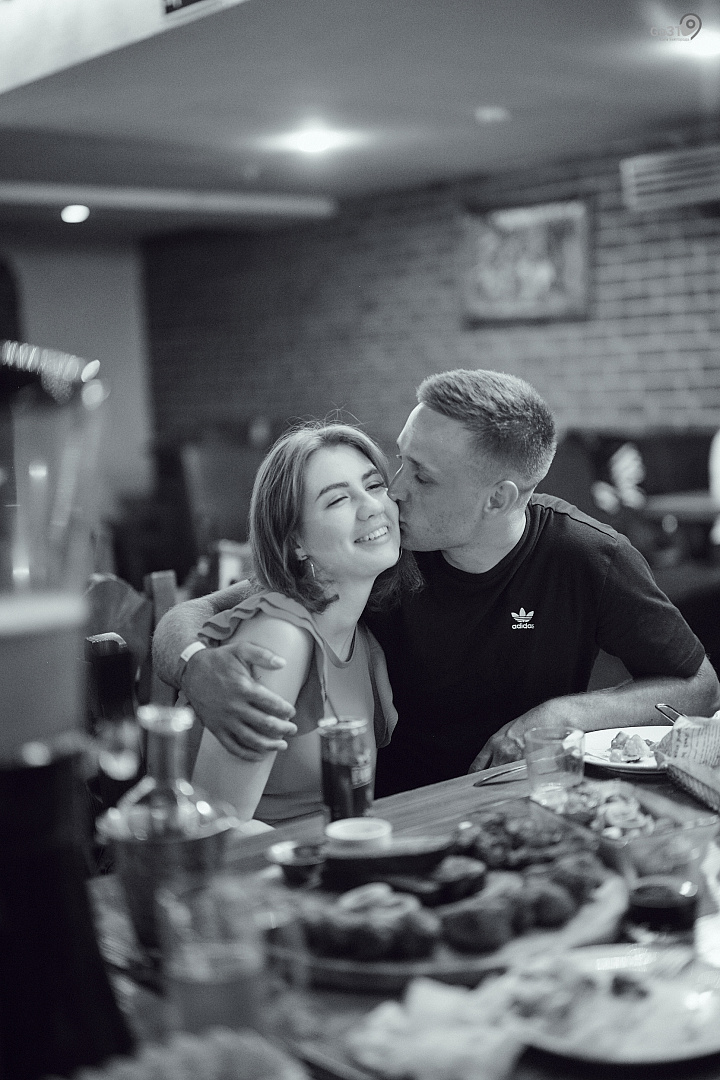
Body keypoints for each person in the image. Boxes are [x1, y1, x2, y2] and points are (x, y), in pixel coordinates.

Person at [154, 370, 720, 796]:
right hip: (395, 808)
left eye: (422, 476)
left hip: (525, 800)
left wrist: (564, 715)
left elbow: (700, 686)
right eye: (400, 461)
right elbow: (202, 612)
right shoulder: (380, 550)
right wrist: (194, 665)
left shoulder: (586, 556)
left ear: (498, 499)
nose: (394, 492)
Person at [184, 420, 419, 824]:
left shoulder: (364, 641)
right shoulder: (279, 638)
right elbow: (212, 828)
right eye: (338, 499)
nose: (372, 506)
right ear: (296, 541)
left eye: (374, 485)